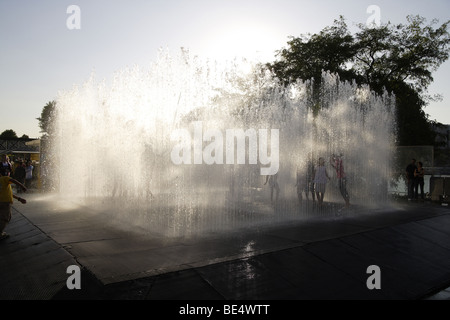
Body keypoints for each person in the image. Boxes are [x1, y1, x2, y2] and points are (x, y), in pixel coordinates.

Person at [0, 171, 27, 240]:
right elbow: (13, 180)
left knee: (7, 217)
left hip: (3, 203)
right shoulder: (4, 178)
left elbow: (9, 193)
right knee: (5, 218)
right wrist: (22, 186)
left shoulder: (3, 182)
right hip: (5, 203)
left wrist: (19, 199)